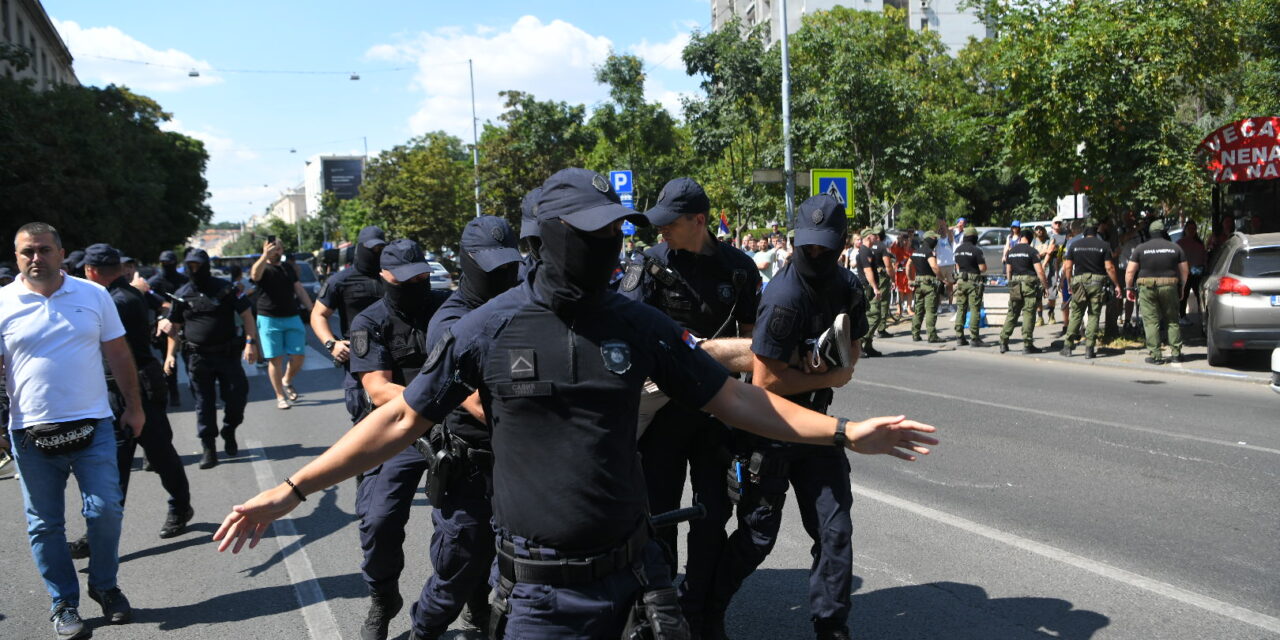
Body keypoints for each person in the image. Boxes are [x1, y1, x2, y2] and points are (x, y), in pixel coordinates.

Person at [213, 169, 938, 640]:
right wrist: (292, 487)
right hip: (537, 600)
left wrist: (843, 431)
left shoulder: (636, 324)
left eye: (614, 230)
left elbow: (738, 403)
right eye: (592, 233)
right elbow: (399, 417)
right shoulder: (484, 329)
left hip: (638, 584)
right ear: (549, 240)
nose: (611, 242)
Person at [704, 194, 867, 640]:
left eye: (824, 247)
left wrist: (837, 368)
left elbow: (853, 350)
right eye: (807, 245)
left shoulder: (850, 287)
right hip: (771, 429)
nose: (815, 254)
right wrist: (830, 376)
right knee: (757, 539)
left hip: (818, 430)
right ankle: (705, 610)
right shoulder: (783, 296)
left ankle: (831, 628)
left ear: (841, 242)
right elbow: (768, 383)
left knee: (836, 532)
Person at [617, 177, 762, 637]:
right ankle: (660, 612)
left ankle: (701, 609)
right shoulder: (651, 264)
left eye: (669, 223)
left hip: (717, 412)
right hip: (661, 414)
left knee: (713, 515)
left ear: (698, 220)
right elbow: (627, 329)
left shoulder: (739, 269)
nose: (661, 231)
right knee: (658, 514)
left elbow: (756, 344)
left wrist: (752, 415)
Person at [2, 223, 142, 638]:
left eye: (44, 250)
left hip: (93, 424)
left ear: (62, 253)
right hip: (29, 431)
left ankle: (104, 584)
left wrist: (134, 406)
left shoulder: (93, 295)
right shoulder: (4, 302)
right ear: (17, 257)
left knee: (105, 511)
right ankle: (63, 601)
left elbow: (117, 351)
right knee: (44, 525)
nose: (35, 258)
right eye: (27, 251)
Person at [410, 216, 523, 640]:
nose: (501, 273)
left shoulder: (524, 303)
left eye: (507, 263)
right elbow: (473, 400)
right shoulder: (451, 319)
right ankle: (423, 631)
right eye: (489, 264)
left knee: (515, 580)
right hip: (470, 473)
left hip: (516, 470)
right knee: (454, 578)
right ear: (467, 262)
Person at [345, 238, 453, 640]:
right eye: (405, 278)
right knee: (378, 519)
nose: (416, 283)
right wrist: (441, 397)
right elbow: (377, 388)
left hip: (452, 428)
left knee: (467, 525)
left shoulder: (449, 307)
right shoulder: (369, 322)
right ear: (384, 278)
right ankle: (383, 597)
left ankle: (474, 600)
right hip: (399, 431)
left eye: (422, 276)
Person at [81, 244, 194, 542]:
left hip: (136, 387)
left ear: (91, 272)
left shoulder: (115, 301)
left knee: (159, 454)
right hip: (122, 388)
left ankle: (180, 507)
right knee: (116, 463)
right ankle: (100, 534)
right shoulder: (122, 295)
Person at [165, 249, 258, 469]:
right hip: (198, 357)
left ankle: (229, 429)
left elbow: (246, 315)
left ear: (206, 265)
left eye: (198, 266)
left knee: (237, 395)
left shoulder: (226, 289)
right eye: (190, 266)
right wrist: (170, 354)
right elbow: (175, 327)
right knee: (203, 404)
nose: (194, 270)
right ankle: (209, 448)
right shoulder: (182, 294)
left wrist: (250, 343)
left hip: (227, 354)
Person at [310, 226, 388, 422]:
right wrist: (331, 344)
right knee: (363, 418)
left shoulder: (392, 277)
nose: (375, 253)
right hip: (359, 355)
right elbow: (318, 315)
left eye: (380, 249)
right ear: (360, 248)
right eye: (371, 249)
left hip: (394, 354)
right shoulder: (340, 281)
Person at [251, 239, 314, 409]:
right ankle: (280, 396)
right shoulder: (262, 266)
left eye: (278, 248)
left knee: (299, 355)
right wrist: (264, 256)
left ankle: (287, 379)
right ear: (265, 249)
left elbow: (299, 288)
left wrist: (311, 309)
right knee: (275, 360)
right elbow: (254, 275)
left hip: (292, 316)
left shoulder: (287, 267)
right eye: (272, 248)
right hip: (268, 318)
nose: (276, 251)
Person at [1125, 220, 1189, 364]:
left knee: (1151, 321)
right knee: (1172, 320)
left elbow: (1130, 271)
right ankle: (1176, 354)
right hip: (1169, 285)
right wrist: (1182, 286)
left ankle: (1156, 355)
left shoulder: (1140, 248)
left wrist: (1129, 288)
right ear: (1164, 232)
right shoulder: (1175, 247)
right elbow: (1185, 270)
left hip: (1147, 287)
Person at [1060, 225, 1122, 359]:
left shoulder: (1074, 245)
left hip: (1079, 282)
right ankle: (1089, 348)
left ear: (1084, 233)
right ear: (1096, 233)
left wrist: (1070, 283)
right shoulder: (1103, 245)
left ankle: (1068, 346)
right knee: (1094, 315)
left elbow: (1068, 267)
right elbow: (1110, 267)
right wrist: (1117, 285)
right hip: (1097, 283)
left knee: (1076, 313)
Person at [148, 249, 188, 406]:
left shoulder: (184, 280)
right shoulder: (155, 282)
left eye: (169, 263)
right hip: (164, 326)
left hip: (184, 323)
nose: (167, 266)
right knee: (169, 360)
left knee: (189, 356)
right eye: (164, 263)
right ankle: (173, 392)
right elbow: (149, 301)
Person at [999, 228, 1049, 353]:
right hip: (1029, 284)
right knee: (1028, 313)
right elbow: (1040, 271)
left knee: (1012, 313)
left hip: (1015, 283)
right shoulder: (1032, 251)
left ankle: (1003, 342)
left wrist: (1011, 284)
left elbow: (1008, 271)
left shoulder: (1011, 251)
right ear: (1031, 239)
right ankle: (1027, 344)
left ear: (1020, 237)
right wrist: (1045, 286)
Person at [856, 227, 893, 356]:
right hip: (868, 287)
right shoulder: (865, 251)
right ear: (867, 237)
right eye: (872, 235)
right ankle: (860, 342)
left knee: (871, 315)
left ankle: (868, 346)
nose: (875, 237)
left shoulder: (868, 251)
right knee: (874, 314)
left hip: (869, 287)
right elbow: (868, 271)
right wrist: (875, 288)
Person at [952, 227, 988, 347]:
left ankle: (959, 336)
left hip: (961, 281)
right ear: (974, 237)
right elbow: (982, 268)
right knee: (974, 309)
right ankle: (974, 338)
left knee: (961, 308)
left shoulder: (957, 250)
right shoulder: (976, 250)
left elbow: (957, 266)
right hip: (973, 282)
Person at [908, 231, 945, 343]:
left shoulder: (916, 252)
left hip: (918, 284)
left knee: (918, 310)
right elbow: (934, 266)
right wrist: (941, 278)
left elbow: (908, 265)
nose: (936, 241)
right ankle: (932, 336)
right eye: (935, 239)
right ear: (930, 239)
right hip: (929, 285)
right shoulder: (929, 252)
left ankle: (915, 334)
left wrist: (910, 279)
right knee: (930, 311)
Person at [1176, 220, 1208, 324]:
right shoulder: (1180, 243)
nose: (1191, 231)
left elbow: (1204, 257)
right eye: (1189, 229)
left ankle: (1202, 314)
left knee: (1200, 295)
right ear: (1185, 230)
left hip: (1197, 273)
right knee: (1183, 296)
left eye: (1193, 229)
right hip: (1184, 273)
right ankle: (1182, 316)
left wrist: (1203, 267)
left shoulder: (1199, 243)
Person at [1032, 225, 1058, 326]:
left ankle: (1051, 314)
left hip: (1049, 271)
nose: (1039, 231)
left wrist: (1043, 262)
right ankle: (1040, 317)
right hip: (1037, 271)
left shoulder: (1050, 239)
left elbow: (1050, 251)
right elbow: (1033, 255)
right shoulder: (1033, 241)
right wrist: (1043, 252)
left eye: (1041, 229)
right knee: (1038, 295)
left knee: (1052, 295)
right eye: (1037, 229)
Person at [933, 218, 957, 309]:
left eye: (943, 228)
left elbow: (950, 234)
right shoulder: (937, 240)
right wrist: (938, 229)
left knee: (950, 285)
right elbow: (934, 236)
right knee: (939, 286)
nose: (942, 230)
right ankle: (939, 305)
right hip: (940, 265)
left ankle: (950, 305)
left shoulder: (949, 238)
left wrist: (944, 225)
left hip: (950, 265)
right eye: (941, 229)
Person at [891, 231, 914, 317]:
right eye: (903, 240)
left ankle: (909, 308)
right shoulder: (898, 249)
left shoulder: (912, 251)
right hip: (900, 273)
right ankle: (899, 308)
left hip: (909, 273)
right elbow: (892, 249)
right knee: (900, 291)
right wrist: (898, 239)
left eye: (906, 240)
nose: (905, 242)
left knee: (909, 291)